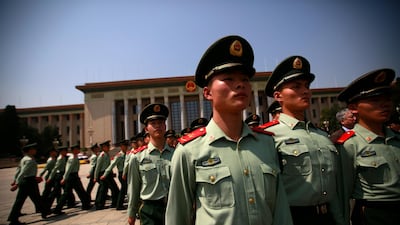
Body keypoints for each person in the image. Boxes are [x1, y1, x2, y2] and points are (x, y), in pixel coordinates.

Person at [165, 35, 292, 225]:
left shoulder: (266, 144)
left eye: (245, 79)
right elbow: (177, 217)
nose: (240, 84)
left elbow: (280, 211)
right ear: (207, 93)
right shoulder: (189, 151)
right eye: (228, 78)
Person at [262, 55, 344, 225]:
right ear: (278, 96)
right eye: (296, 86)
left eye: (307, 86)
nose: (305, 91)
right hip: (294, 218)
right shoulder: (269, 136)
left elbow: (333, 188)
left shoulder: (321, 136)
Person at [336, 68, 400, 225]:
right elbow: (343, 194)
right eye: (375, 100)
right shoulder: (349, 144)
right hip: (374, 215)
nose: (385, 104)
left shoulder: (396, 139)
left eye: (387, 98)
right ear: (353, 108)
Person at [127, 103, 174, 225]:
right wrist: (131, 214)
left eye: (160, 122)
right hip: (150, 210)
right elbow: (134, 187)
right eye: (153, 123)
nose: (157, 126)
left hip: (174, 206)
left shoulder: (177, 154)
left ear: (165, 126)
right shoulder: (137, 157)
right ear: (146, 129)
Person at [8, 143, 48, 225]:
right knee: (35, 197)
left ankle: (44, 211)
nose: (35, 150)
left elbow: (18, 170)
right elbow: (23, 172)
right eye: (34, 149)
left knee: (24, 199)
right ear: (30, 150)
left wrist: (15, 180)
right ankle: (13, 219)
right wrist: (16, 184)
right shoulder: (29, 160)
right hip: (29, 182)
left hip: (27, 181)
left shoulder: (24, 159)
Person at [52, 144, 92, 215]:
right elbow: (68, 169)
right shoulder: (71, 158)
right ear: (74, 150)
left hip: (74, 176)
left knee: (80, 191)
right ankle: (58, 209)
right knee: (68, 193)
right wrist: (64, 178)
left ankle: (86, 205)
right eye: (77, 149)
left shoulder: (75, 157)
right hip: (71, 177)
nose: (78, 150)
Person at [46, 146, 76, 211]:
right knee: (56, 191)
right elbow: (55, 168)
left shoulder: (63, 157)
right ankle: (47, 206)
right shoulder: (60, 158)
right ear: (62, 152)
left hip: (62, 174)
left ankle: (70, 203)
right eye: (65, 151)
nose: (66, 152)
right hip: (59, 175)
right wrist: (50, 177)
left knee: (67, 190)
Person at [103, 139, 128, 210]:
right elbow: (112, 165)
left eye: (126, 145)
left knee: (124, 190)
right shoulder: (119, 155)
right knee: (123, 190)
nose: (126, 147)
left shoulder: (127, 154)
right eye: (124, 146)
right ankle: (119, 205)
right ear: (121, 146)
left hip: (126, 174)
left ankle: (119, 204)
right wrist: (105, 174)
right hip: (122, 175)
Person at [94, 140, 120, 210]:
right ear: (103, 147)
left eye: (109, 146)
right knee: (105, 190)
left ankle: (102, 204)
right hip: (103, 174)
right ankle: (100, 204)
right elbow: (98, 167)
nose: (109, 147)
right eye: (107, 146)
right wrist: (95, 177)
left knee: (106, 189)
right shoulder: (102, 155)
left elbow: (108, 165)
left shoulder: (106, 154)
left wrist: (111, 172)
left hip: (108, 174)